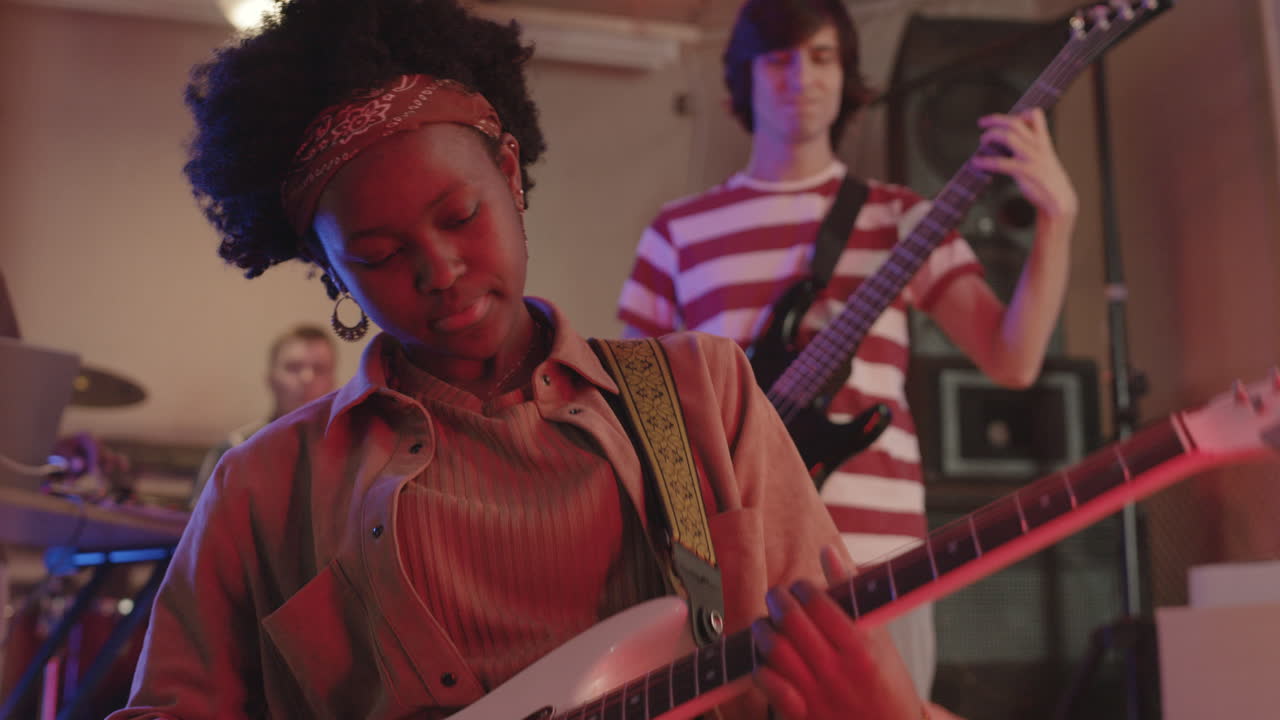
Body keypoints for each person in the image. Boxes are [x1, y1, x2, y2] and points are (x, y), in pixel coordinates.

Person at [108, 0, 935, 718]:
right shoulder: (261, 486)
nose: (439, 269)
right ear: (332, 273)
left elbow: (823, 674)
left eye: (460, 214)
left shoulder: (702, 396)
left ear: (509, 173)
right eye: (379, 253)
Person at [616, 0, 1078, 702]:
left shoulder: (901, 215)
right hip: (732, 560)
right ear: (742, 81)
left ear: (848, 76)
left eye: (823, 57)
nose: (803, 76)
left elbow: (1010, 360)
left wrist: (1057, 222)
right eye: (780, 58)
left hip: (881, 562)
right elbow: (636, 413)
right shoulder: (679, 232)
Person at [189, 323, 337, 507]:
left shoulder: (349, 454)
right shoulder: (234, 451)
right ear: (271, 379)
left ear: (333, 382)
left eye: (320, 369)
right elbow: (199, 529)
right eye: (293, 367)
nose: (307, 378)